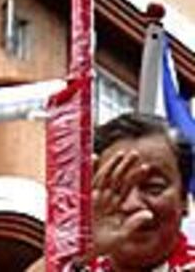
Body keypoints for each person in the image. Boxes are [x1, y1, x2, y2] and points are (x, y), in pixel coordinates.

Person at [28, 113, 195, 271]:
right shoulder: (73, 263)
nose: (132, 205)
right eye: (117, 188)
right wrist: (73, 252)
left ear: (184, 200)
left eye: (153, 187)